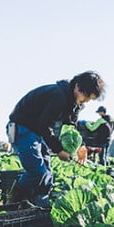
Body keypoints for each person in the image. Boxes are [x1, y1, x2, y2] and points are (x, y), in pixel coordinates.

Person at [6, 71, 105, 208]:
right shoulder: (58, 96)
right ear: (77, 86)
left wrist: (80, 146)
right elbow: (44, 125)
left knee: (47, 174)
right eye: (86, 96)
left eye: (90, 99)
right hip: (22, 127)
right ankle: (12, 202)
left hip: (37, 132)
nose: (86, 101)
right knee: (37, 172)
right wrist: (58, 150)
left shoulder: (74, 103)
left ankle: (41, 205)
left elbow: (70, 127)